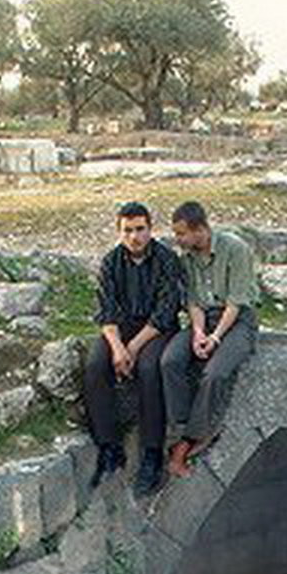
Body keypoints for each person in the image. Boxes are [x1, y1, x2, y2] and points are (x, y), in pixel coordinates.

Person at [83, 201, 184, 496]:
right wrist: (117, 348)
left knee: (148, 368)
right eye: (127, 230)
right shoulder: (110, 262)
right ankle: (110, 447)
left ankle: (152, 453)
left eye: (140, 229)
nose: (134, 236)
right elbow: (106, 311)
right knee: (94, 366)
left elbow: (166, 311)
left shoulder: (166, 260)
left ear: (150, 229)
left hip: (156, 330)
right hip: (121, 327)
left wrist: (134, 347)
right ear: (119, 232)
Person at [161, 200, 259, 478]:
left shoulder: (235, 249)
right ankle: (181, 428)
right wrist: (198, 333)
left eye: (181, 233)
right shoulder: (188, 258)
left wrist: (215, 339)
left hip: (238, 321)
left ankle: (190, 440)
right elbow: (193, 301)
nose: (177, 239)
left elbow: (236, 303)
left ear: (200, 229)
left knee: (215, 373)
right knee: (170, 360)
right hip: (206, 320)